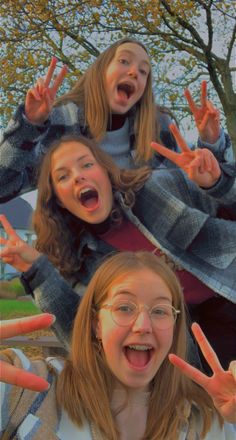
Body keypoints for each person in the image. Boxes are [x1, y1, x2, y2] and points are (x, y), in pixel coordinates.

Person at [0, 132, 236, 370]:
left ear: (106, 171)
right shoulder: (78, 261)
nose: (78, 176)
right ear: (59, 199)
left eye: (87, 165)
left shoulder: (155, 188)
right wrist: (36, 271)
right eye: (63, 176)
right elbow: (83, 338)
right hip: (190, 339)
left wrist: (216, 183)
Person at [0, 252, 236, 440]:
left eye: (160, 310)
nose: (143, 326)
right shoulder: (30, 389)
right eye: (124, 307)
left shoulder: (209, 421)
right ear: (96, 325)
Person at [0, 38, 233, 202]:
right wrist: (28, 125)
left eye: (144, 72)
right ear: (100, 72)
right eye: (124, 61)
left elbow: (208, 198)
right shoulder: (61, 122)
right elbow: (3, 186)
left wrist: (211, 141)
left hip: (152, 254)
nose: (134, 72)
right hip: (83, 254)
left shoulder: (158, 127)